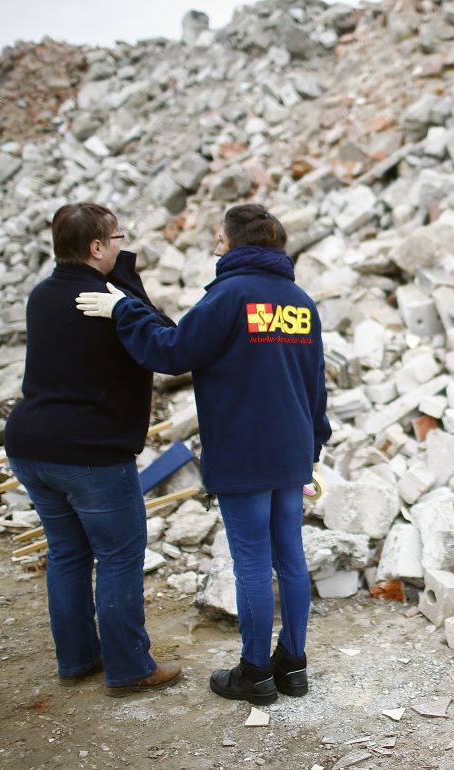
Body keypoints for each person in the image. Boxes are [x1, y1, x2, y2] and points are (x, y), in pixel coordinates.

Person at [76, 203, 331, 707]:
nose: (214, 243)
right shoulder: (300, 301)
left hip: (243, 449)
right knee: (291, 557)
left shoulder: (230, 295)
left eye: (219, 237)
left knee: (254, 562)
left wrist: (122, 309)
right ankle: (293, 665)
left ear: (237, 243)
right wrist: (314, 442)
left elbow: (171, 352)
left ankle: (256, 671)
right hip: (292, 448)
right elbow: (314, 380)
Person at [4, 202, 182, 697]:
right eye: (118, 239)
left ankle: (79, 659)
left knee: (67, 554)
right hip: (89, 451)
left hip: (29, 444)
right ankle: (129, 668)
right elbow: (166, 336)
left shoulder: (42, 295)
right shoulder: (107, 297)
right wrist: (125, 281)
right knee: (120, 556)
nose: (125, 245)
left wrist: (118, 276)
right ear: (97, 248)